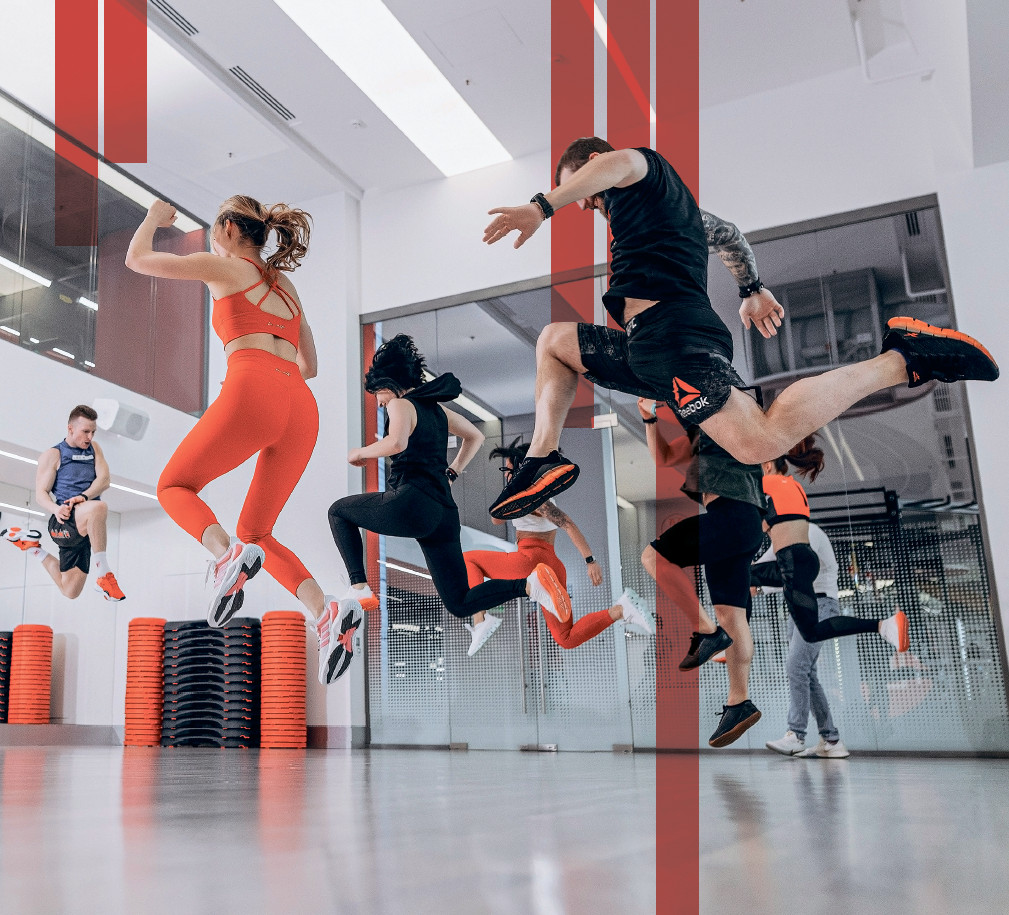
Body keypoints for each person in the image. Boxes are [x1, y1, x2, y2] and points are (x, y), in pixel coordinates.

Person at [482, 138, 998, 520]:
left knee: (758, 443)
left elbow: (617, 165)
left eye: (583, 192)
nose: (586, 205)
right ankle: (542, 458)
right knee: (554, 342)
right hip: (651, 348)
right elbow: (726, 233)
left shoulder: (640, 169)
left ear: (594, 164)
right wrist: (751, 287)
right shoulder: (666, 211)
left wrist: (541, 206)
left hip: (674, 336)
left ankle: (902, 359)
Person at [125, 196, 361, 685]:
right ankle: (326, 612)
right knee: (257, 532)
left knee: (173, 486)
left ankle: (224, 555)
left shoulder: (226, 267)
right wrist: (271, 377)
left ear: (230, 229)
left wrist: (153, 218)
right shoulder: (287, 286)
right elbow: (310, 366)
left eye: (215, 230)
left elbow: (137, 259)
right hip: (301, 407)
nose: (213, 240)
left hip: (254, 388)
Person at [328, 335, 573, 651]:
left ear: (389, 384)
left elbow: (397, 442)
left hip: (412, 502)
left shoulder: (401, 404)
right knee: (460, 602)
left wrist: (360, 452)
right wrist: (453, 471)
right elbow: (475, 436)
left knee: (338, 512)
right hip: (443, 515)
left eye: (378, 394)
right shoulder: (438, 412)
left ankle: (359, 587)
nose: (379, 402)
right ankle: (529, 586)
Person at [637, 397, 765, 748]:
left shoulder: (726, 424)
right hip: (742, 524)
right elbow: (664, 457)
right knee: (732, 616)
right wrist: (649, 418)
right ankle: (739, 703)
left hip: (732, 516)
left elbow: (696, 402)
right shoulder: (701, 435)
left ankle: (706, 631)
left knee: (653, 557)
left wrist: (668, 398)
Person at [462, 438, 653, 657]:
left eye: (508, 470)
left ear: (521, 469)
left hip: (529, 562)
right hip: (552, 566)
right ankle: (621, 609)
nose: (506, 476)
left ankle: (481, 619)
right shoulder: (536, 497)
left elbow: (497, 517)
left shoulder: (533, 498)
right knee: (566, 638)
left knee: (469, 560)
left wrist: (590, 561)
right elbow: (501, 518)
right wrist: (589, 560)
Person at [757, 436, 907, 652]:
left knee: (735, 578)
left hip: (791, 562)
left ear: (767, 465)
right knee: (811, 633)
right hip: (802, 561)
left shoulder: (770, 484)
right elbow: (766, 524)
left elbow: (741, 494)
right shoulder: (792, 488)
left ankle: (728, 640)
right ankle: (883, 626)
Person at [2, 404, 125, 601]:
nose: (90, 437)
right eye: (86, 431)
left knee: (70, 591)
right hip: (63, 522)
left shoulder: (94, 449)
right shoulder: (53, 455)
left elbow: (104, 480)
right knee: (99, 507)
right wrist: (56, 509)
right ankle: (103, 573)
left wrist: (84, 496)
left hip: (85, 528)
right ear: (70, 428)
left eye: (93, 432)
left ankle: (33, 548)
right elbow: (41, 494)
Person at [758, 522, 851, 759]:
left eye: (765, 525)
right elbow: (761, 568)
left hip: (821, 604)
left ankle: (796, 735)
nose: (765, 531)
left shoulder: (808, 532)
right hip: (801, 606)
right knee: (807, 674)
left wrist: (759, 585)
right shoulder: (782, 538)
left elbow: (796, 571)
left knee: (796, 667)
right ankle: (831, 740)